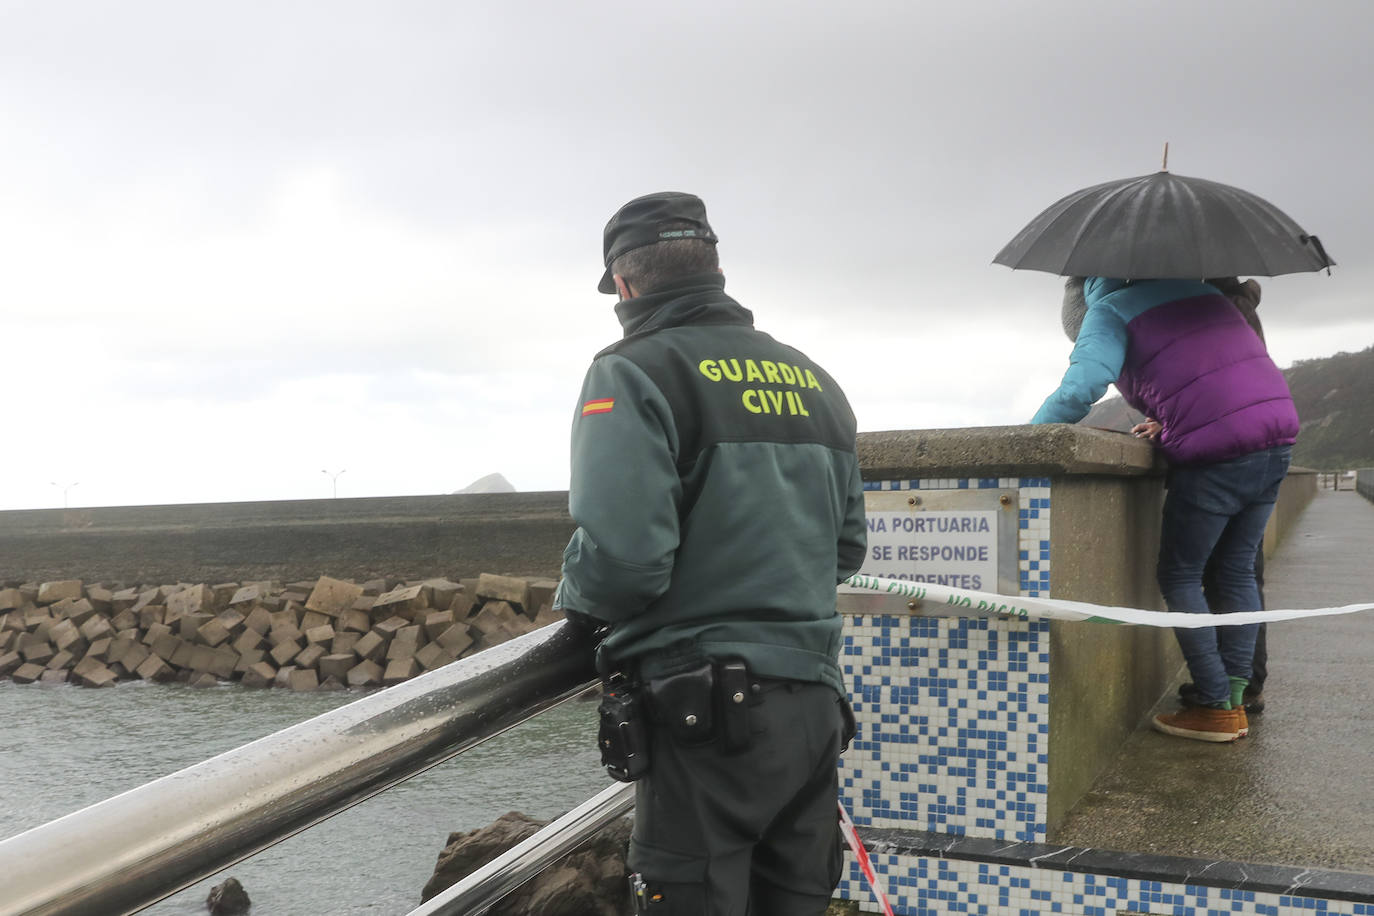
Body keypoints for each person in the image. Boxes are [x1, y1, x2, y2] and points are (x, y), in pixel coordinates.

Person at [554, 191, 867, 915]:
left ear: (624, 285)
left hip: (705, 715)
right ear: (713, 267)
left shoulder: (630, 372)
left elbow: (625, 562)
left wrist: (574, 600)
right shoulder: (812, 379)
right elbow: (844, 549)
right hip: (814, 707)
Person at [1032, 276, 1297, 742]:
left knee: (1180, 576)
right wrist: (1169, 420)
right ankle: (1235, 699)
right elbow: (1211, 372)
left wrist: (1027, 439)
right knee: (1235, 573)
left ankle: (1214, 706)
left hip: (1219, 453)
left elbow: (1081, 387)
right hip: (1275, 435)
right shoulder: (1203, 293)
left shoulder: (1110, 309)